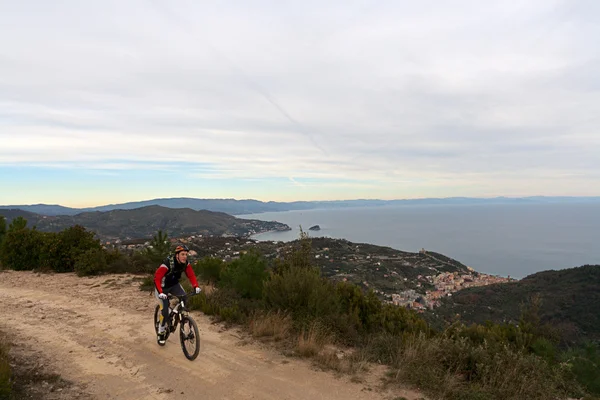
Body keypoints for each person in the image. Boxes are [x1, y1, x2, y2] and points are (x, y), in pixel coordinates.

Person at [153, 244, 201, 344]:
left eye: (186, 254)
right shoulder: (167, 264)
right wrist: (161, 292)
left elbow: (191, 275)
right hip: (161, 287)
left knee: (184, 298)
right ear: (177, 255)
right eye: (182, 254)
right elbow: (157, 278)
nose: (185, 256)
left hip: (174, 285)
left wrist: (196, 286)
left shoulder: (185, 263)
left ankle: (181, 316)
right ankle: (161, 332)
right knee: (165, 311)